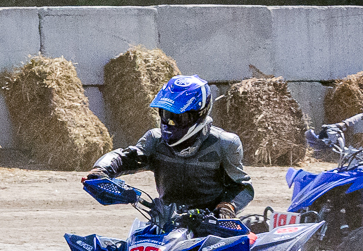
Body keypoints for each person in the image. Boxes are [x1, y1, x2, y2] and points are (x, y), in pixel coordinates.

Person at [86, 75, 253, 217]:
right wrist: (101, 170)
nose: (170, 123)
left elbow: (243, 187)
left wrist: (227, 207)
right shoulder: (155, 140)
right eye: (166, 115)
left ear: (199, 114)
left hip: (211, 227)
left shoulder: (224, 143)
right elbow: (126, 158)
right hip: (166, 222)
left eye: (178, 118)